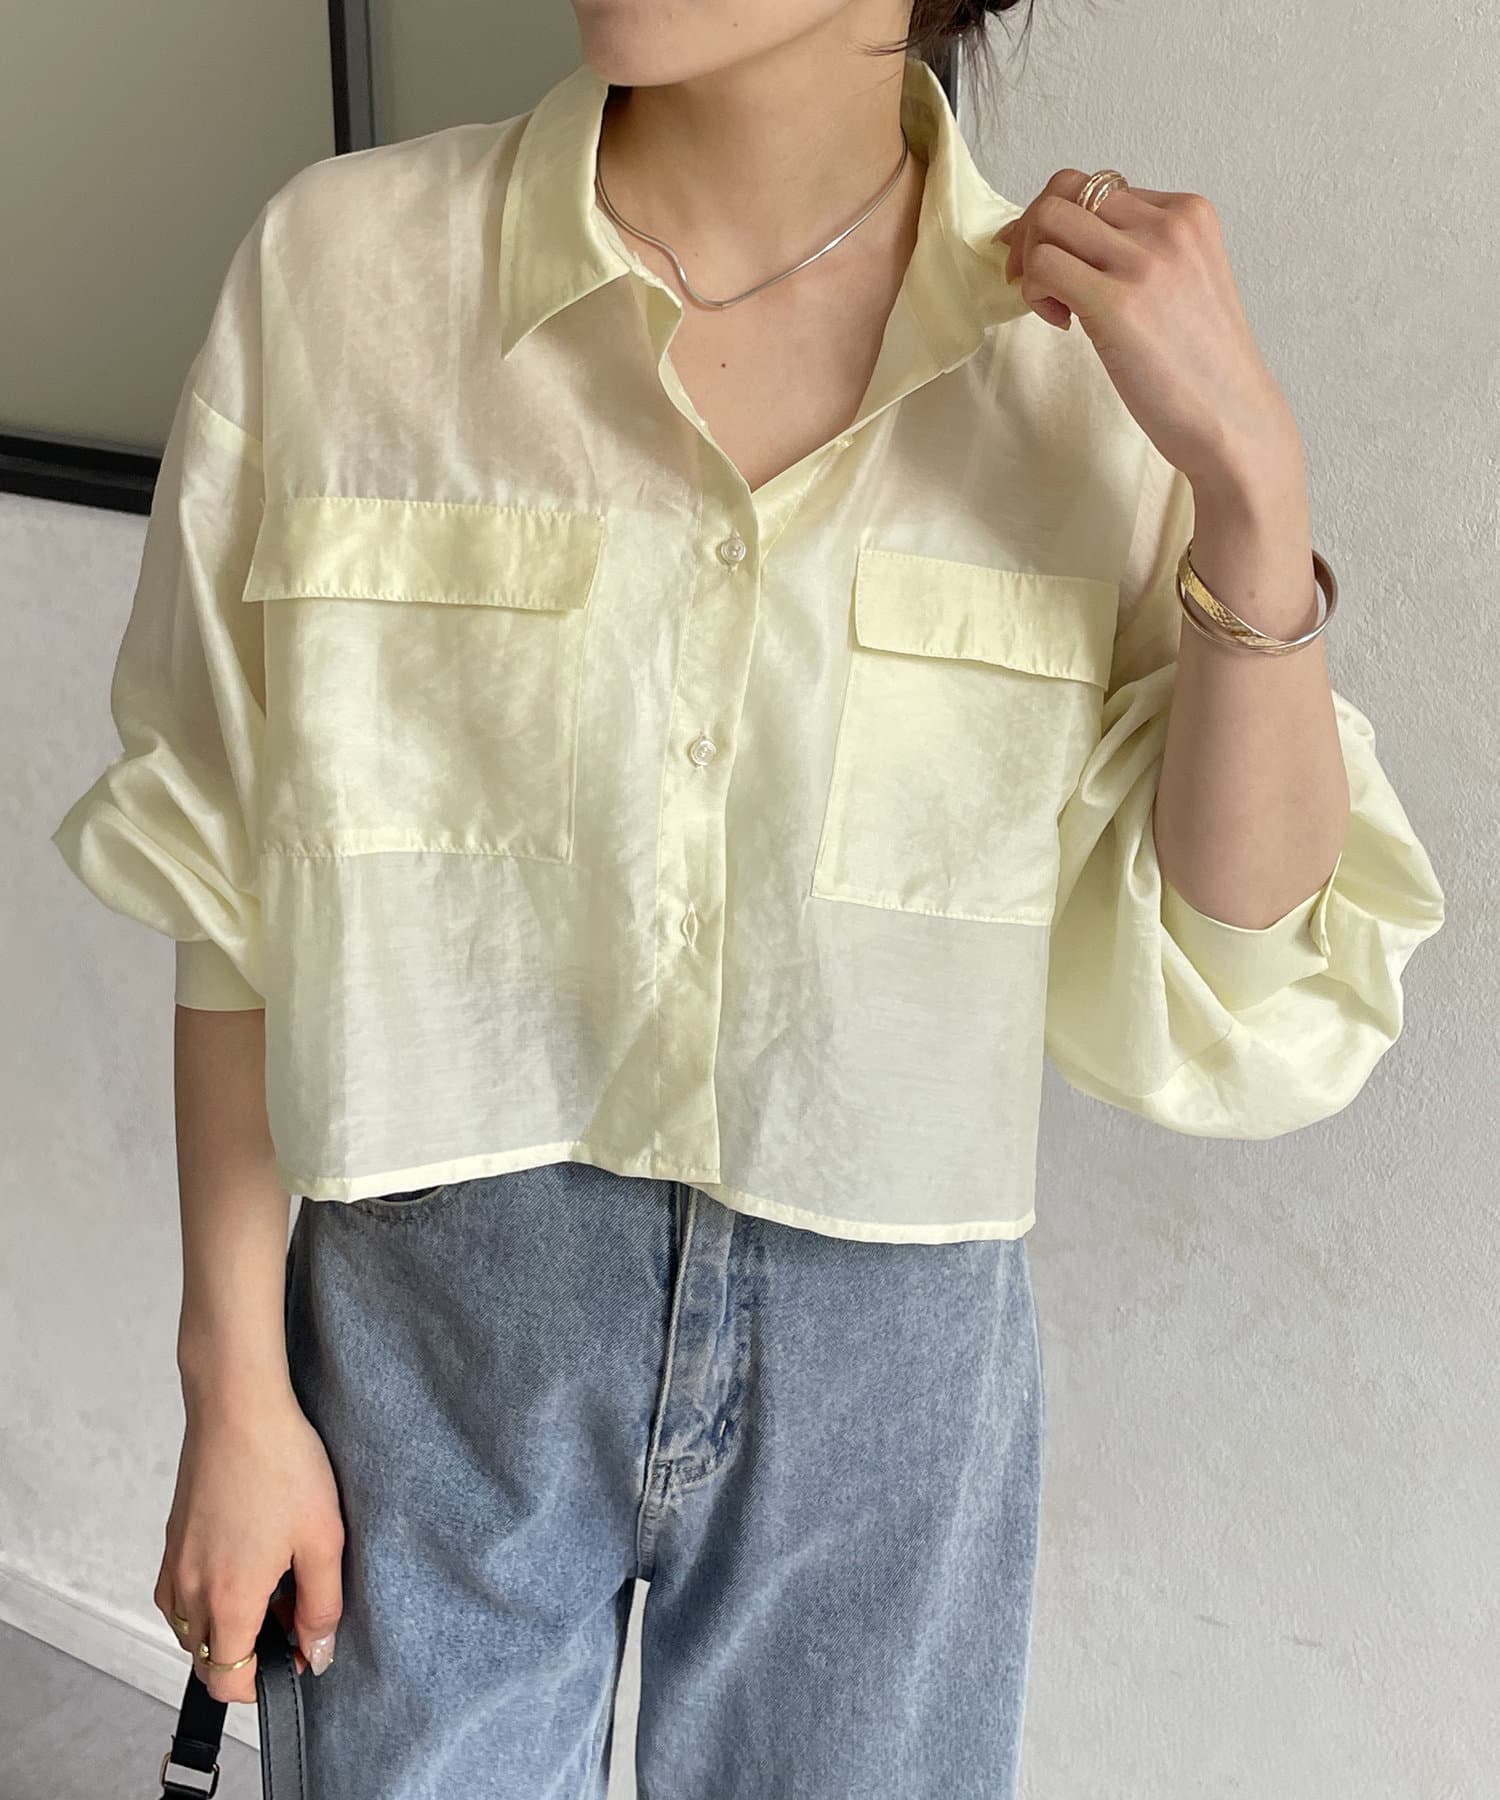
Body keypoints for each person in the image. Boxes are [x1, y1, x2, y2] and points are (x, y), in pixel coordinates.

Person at [48, 1, 1445, 1794]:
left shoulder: (1076, 369)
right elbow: (227, 868)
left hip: (890, 1373)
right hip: (431, 1335)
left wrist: (1251, 489)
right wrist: (234, 1385)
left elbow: (1253, 974)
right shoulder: (347, 273)